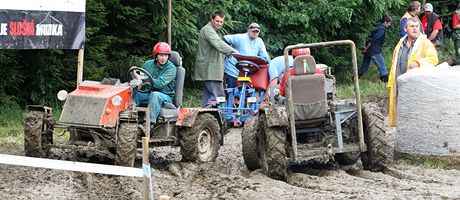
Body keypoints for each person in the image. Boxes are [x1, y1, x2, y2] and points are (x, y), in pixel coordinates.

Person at [387, 17, 438, 127]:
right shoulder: (400, 43)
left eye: (417, 26)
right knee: (401, 112)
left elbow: (433, 59)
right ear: (405, 29)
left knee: (415, 113)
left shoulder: (425, 43)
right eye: (412, 26)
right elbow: (395, 63)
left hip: (417, 87)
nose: (415, 29)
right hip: (400, 84)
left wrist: (418, 63)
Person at [195, 11, 239, 107]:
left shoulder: (212, 31)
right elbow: (218, 43)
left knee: (208, 96)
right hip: (211, 69)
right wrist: (232, 51)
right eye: (217, 21)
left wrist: (225, 55)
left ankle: (204, 115)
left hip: (211, 69)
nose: (219, 23)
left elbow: (214, 48)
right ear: (212, 19)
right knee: (218, 96)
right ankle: (214, 119)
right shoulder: (208, 30)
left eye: (221, 22)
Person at [131, 42, 177, 125]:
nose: (163, 58)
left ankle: (149, 123)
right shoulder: (148, 64)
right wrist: (136, 77)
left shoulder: (171, 68)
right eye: (161, 55)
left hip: (165, 96)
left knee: (155, 95)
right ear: (156, 55)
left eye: (166, 55)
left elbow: (160, 83)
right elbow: (141, 76)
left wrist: (144, 80)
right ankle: (131, 119)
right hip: (148, 93)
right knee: (134, 92)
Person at [223, 23, 270, 88]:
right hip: (232, 71)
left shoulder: (259, 41)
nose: (255, 33)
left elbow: (265, 57)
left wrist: (270, 64)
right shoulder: (240, 38)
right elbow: (224, 39)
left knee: (245, 94)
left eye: (257, 32)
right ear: (248, 30)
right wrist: (228, 52)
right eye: (253, 31)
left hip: (247, 72)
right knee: (230, 94)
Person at [358, 15, 392, 83]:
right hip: (374, 50)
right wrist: (366, 47)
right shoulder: (381, 29)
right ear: (385, 22)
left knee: (364, 67)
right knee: (383, 67)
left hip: (368, 50)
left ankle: (355, 78)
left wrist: (365, 47)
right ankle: (385, 82)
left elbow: (368, 36)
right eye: (389, 23)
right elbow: (374, 39)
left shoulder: (375, 27)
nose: (389, 25)